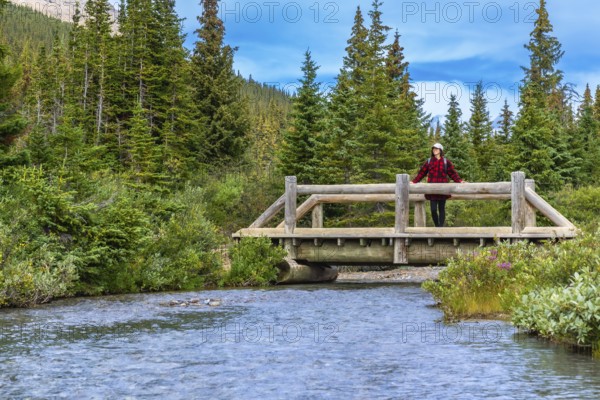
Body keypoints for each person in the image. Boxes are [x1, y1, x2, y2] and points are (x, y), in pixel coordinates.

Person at [410, 143, 464, 227]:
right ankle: (437, 226)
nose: (434, 150)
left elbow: (452, 174)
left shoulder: (446, 162)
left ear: (440, 150)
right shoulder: (429, 161)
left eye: (436, 149)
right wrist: (414, 181)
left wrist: (459, 181)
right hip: (432, 190)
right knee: (433, 210)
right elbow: (422, 173)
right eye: (433, 149)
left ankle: (440, 228)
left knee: (442, 209)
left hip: (443, 189)